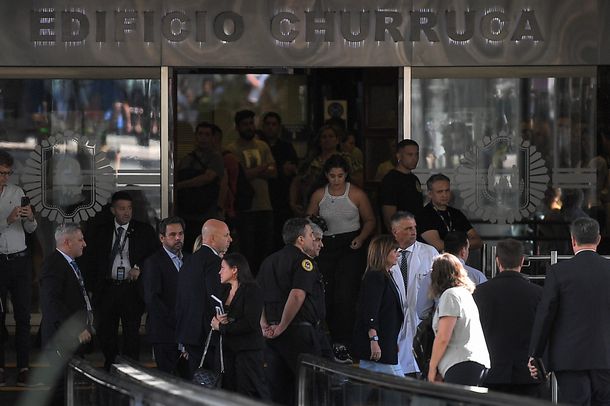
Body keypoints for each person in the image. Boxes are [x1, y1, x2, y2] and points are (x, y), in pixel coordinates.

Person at [529, 217, 610, 404]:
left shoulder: (558, 271)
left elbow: (546, 314)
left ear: (573, 239)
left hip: (569, 358)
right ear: (598, 239)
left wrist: (536, 354)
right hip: (606, 356)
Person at [82, 191, 159, 370]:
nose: (126, 212)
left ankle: (132, 369)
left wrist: (139, 268)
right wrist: (92, 287)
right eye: (122, 208)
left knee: (132, 331)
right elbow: (91, 260)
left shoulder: (143, 230)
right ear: (113, 210)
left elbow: (154, 256)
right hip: (108, 287)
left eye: (129, 208)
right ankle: (111, 364)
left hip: (131, 289)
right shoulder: (101, 231)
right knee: (106, 331)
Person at [306, 154, 375, 352]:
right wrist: (314, 235)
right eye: (332, 176)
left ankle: (345, 339)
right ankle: (329, 335)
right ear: (326, 175)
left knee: (346, 292)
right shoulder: (320, 194)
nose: (336, 180)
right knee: (326, 290)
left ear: (346, 175)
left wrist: (361, 238)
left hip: (350, 244)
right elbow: (308, 219)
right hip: (325, 244)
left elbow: (370, 220)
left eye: (340, 176)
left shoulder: (356, 194)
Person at [257, 217, 325, 405]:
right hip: (298, 333)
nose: (314, 239)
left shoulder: (269, 261)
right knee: (309, 389)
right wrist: (282, 326)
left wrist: (264, 325)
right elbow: (297, 295)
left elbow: (259, 297)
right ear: (300, 239)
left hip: (271, 336)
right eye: (311, 235)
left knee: (278, 390)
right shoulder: (304, 261)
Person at [473, 239, 543, 398]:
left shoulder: (479, 293)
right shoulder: (538, 293)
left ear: (497, 261)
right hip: (528, 375)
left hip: (490, 373)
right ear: (522, 260)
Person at [40, 223, 92, 405]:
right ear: (67, 242)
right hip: (60, 339)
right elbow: (52, 303)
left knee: (67, 387)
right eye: (80, 240)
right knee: (60, 389)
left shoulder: (67, 263)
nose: (84, 244)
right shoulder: (54, 265)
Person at [175, 219, 232, 379]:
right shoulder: (214, 262)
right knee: (210, 384)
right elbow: (216, 297)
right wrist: (222, 322)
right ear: (212, 238)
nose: (230, 239)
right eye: (226, 235)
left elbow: (181, 299)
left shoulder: (189, 261)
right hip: (207, 335)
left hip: (189, 333)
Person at [0, 150, 37, 386]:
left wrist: (30, 217)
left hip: (20, 260)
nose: (4, 178)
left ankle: (24, 366)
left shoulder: (17, 192)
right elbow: (8, 222)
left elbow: (31, 230)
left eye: (7, 173)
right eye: (1, 173)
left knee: (24, 317)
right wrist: (7, 220)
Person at [210, 253, 269, 399]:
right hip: (228, 351)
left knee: (247, 392)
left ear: (235, 270)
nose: (219, 272)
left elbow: (250, 323)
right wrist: (217, 321)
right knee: (228, 392)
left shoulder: (252, 290)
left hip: (247, 352)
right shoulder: (224, 291)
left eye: (223, 268)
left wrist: (222, 327)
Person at [226, 109, 277, 275]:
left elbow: (274, 171)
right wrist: (262, 168)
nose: (249, 127)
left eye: (251, 123)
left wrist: (252, 172)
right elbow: (240, 175)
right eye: (245, 124)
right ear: (238, 127)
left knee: (266, 247)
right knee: (247, 249)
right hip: (245, 206)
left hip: (265, 205)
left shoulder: (262, 145)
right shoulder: (232, 149)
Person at [388, 211, 439, 377]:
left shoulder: (430, 253)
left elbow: (438, 290)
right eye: (408, 228)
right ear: (395, 232)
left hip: (421, 325)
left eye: (414, 227)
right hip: (395, 327)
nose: (414, 231)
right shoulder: (385, 255)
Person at [427, 253, 490, 385]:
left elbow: (443, 337)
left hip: (460, 364)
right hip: (475, 362)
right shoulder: (464, 294)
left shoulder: (450, 295)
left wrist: (432, 368)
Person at [352, 235, 404, 376]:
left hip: (385, 342)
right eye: (394, 251)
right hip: (377, 345)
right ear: (383, 252)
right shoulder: (376, 276)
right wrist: (373, 340)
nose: (398, 254)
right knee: (400, 388)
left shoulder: (386, 275)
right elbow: (370, 310)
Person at [142, 217, 187, 375]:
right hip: (165, 333)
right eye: (172, 234)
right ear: (162, 238)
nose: (178, 238)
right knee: (168, 378)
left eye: (181, 234)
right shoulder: (153, 263)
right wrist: (177, 321)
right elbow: (152, 300)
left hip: (187, 334)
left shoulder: (188, 260)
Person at [290, 125, 363, 216]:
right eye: (324, 137)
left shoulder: (347, 159)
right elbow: (296, 181)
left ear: (337, 140)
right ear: (320, 141)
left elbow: (360, 180)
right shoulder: (312, 161)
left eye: (331, 136)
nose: (327, 139)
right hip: (314, 208)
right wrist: (293, 203)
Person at [176, 122, 225, 252]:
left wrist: (180, 185)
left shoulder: (216, 158)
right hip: (186, 213)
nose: (203, 138)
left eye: (207, 135)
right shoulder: (187, 159)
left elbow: (207, 178)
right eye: (200, 134)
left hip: (206, 214)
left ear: (212, 138)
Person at [416, 231, 486, 320]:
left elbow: (422, 312)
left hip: (439, 329)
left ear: (444, 250)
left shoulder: (431, 276)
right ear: (463, 251)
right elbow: (484, 309)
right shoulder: (477, 276)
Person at [260, 112, 299, 250]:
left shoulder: (286, 147)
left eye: (274, 124)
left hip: (282, 197)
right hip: (263, 196)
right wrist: (281, 168)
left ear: (279, 127)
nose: (271, 127)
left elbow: (293, 170)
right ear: (263, 126)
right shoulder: (259, 146)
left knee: (281, 237)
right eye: (268, 124)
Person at [417, 173, 482, 252]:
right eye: (440, 192)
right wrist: (462, 245)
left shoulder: (456, 213)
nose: (444, 195)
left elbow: (477, 241)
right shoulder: (424, 215)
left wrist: (453, 246)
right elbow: (438, 245)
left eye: (447, 190)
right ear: (430, 194)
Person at [380, 139, 423, 231]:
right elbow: (389, 214)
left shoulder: (414, 178)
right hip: (401, 234)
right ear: (399, 156)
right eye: (410, 155)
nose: (414, 158)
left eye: (416, 154)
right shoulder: (391, 180)